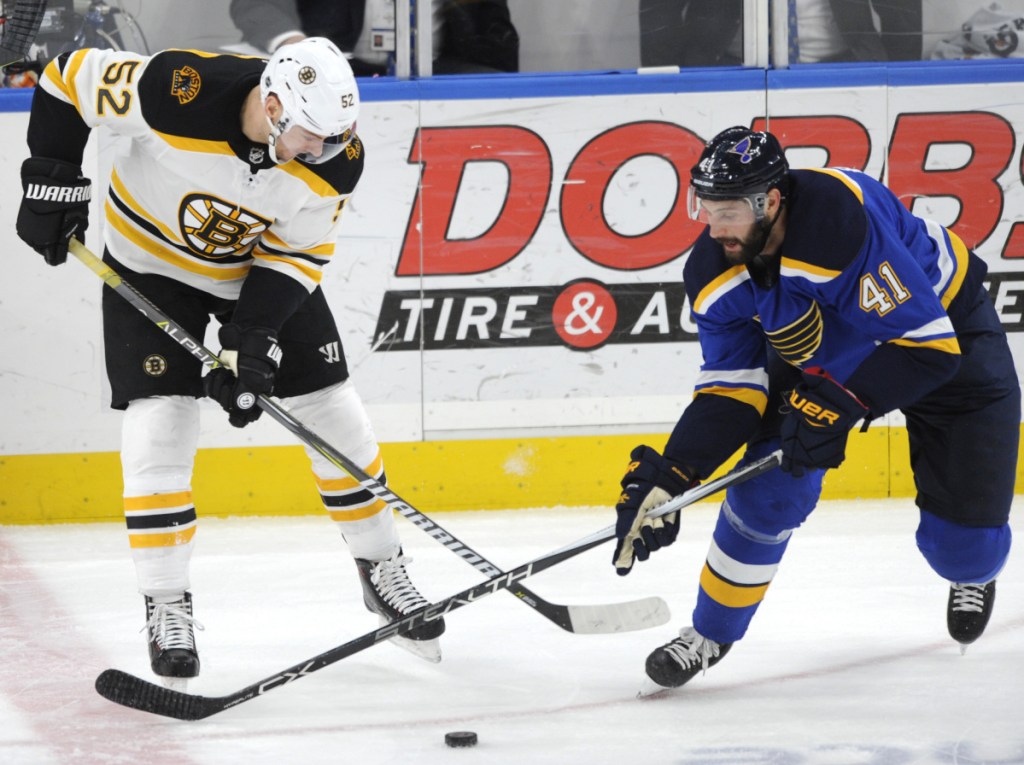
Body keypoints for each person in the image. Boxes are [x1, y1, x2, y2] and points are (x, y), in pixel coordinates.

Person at [16, 37, 445, 685]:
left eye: (335, 138)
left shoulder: (335, 159)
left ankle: (381, 567)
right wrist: (52, 176)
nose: (322, 152)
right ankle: (166, 601)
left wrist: (253, 343)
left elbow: (295, 255)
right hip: (150, 265)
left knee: (330, 404)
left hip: (252, 272)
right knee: (163, 418)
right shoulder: (177, 89)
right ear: (272, 105)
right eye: (310, 136)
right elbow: (67, 78)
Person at [612, 126, 1018, 691]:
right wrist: (674, 472)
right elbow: (733, 389)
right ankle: (711, 633)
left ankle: (972, 572)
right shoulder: (715, 272)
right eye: (706, 207)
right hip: (831, 354)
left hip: (943, 329)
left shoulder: (838, 227)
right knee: (768, 493)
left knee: (962, 550)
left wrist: (842, 404)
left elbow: (927, 350)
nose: (714, 227)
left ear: (771, 201)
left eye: (727, 210)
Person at [229, 0, 519, 75]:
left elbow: (493, 25)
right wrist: (294, 44)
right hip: (332, 67)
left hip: (439, 70)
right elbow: (256, 5)